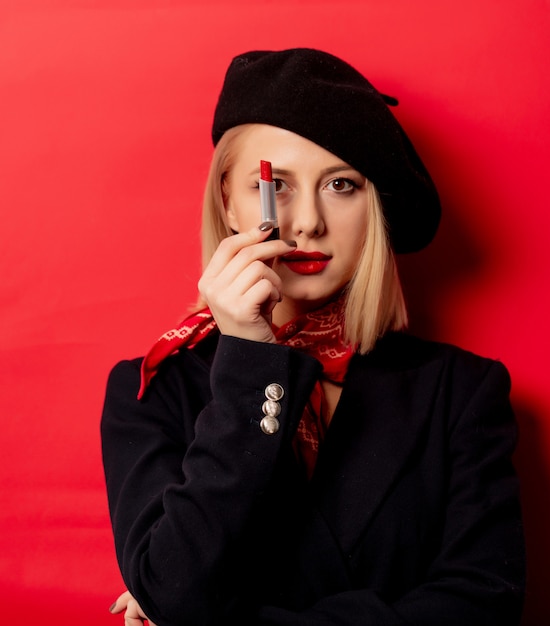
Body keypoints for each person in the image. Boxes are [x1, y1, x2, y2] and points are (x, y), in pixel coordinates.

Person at [101, 48, 525, 626]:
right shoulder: (151, 388)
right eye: (271, 185)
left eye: (341, 185)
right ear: (227, 202)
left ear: (373, 207)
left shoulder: (460, 392)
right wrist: (249, 363)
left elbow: (484, 603)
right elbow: (170, 586)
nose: (306, 223)